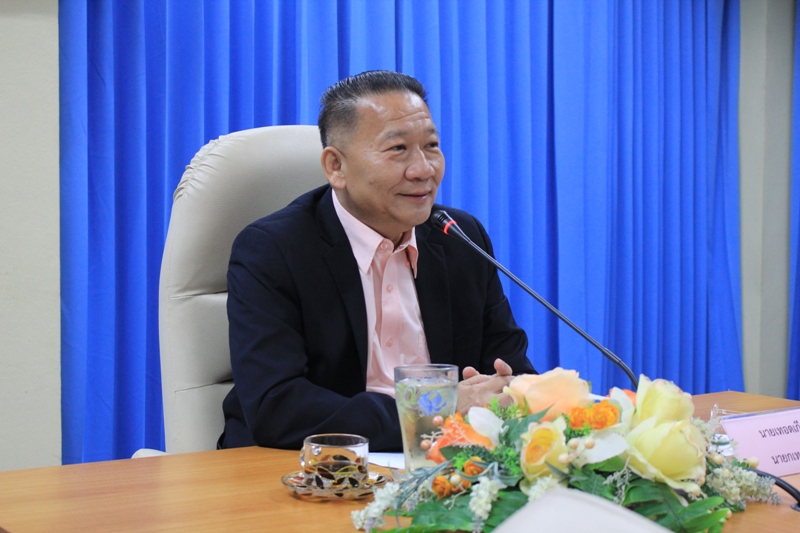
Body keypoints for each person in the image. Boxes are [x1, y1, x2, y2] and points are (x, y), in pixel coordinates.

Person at [219, 70, 536, 451]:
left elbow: (511, 371)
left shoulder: (460, 238)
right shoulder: (273, 250)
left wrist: (508, 393)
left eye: (431, 145)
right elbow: (278, 408)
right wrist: (436, 409)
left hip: (445, 467)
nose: (423, 169)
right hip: (313, 466)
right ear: (336, 167)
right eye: (398, 149)